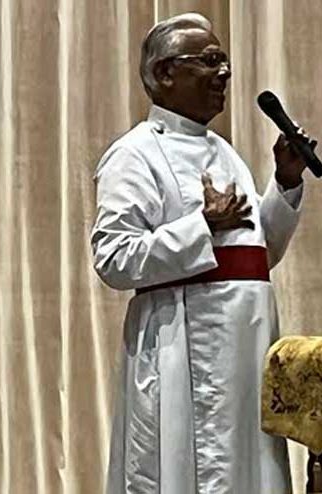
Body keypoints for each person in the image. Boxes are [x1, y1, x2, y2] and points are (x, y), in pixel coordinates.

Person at [91, 13, 316, 494]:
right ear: (165, 73)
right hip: (185, 346)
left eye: (224, 61)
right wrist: (201, 226)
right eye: (209, 61)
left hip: (247, 345)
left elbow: (255, 256)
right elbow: (113, 258)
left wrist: (285, 181)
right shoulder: (133, 154)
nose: (224, 73)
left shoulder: (224, 151)